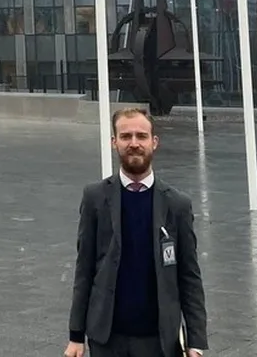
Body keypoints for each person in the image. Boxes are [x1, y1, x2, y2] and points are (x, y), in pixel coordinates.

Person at [65, 108, 207, 357]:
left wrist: (195, 340)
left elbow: (189, 276)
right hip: (106, 339)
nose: (133, 143)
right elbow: (84, 268)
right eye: (125, 136)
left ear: (154, 142)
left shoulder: (177, 204)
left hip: (159, 341)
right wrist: (76, 336)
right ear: (114, 142)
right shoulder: (95, 198)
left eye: (141, 136)